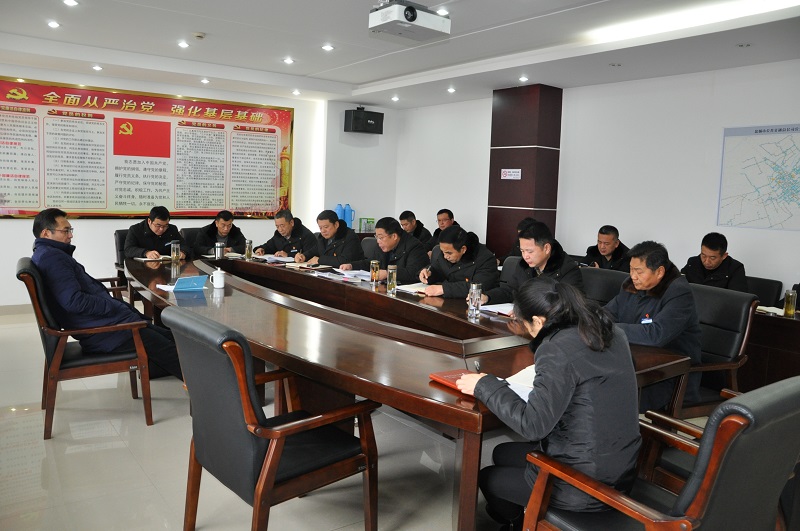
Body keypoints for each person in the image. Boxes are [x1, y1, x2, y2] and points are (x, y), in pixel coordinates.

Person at [456, 278, 641, 527]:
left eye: (523, 322)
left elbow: (533, 426)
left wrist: (485, 385)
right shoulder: (611, 332)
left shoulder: (556, 348)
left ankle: (520, 523)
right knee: (501, 452)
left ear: (539, 321)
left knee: (488, 478)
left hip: (584, 484)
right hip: (620, 466)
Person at [31, 208, 182, 380]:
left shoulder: (47, 254)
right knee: (172, 349)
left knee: (172, 337)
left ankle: (155, 368)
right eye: (66, 231)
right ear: (46, 233)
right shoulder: (53, 259)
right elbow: (74, 301)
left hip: (106, 324)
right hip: (106, 333)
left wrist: (116, 308)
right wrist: (113, 306)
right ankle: (201, 382)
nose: (70, 235)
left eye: (70, 230)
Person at [605, 241, 702, 412]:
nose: (633, 276)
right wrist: (590, 320)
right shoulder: (631, 285)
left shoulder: (678, 292)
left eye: (639, 271)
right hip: (634, 362)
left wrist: (609, 328)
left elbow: (656, 335)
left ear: (660, 272)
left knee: (610, 397)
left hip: (668, 374)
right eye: (631, 269)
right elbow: (608, 313)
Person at [483, 221, 583, 305]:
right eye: (522, 251)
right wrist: (487, 297)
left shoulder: (568, 270)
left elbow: (566, 306)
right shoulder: (524, 265)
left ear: (546, 248)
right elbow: (511, 291)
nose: (525, 256)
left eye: (530, 251)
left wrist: (525, 312)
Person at [341, 217, 429, 284]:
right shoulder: (382, 245)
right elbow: (372, 263)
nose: (378, 241)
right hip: (385, 287)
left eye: (381, 237)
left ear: (394, 236)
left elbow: (413, 272)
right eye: (377, 237)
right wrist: (351, 265)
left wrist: (388, 273)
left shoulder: (414, 246)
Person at [419, 225, 498, 298]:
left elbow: (479, 286)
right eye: (442, 252)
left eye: (449, 253)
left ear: (463, 249)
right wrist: (429, 273)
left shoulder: (485, 258)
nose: (445, 256)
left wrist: (444, 289)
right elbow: (438, 269)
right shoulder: (446, 252)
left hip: (472, 303)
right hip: (448, 300)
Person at [681, 232, 748, 292]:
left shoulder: (735, 268)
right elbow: (679, 284)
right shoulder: (692, 263)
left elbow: (737, 297)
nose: (707, 261)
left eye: (712, 258)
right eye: (703, 255)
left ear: (724, 256)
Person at [296, 209, 365, 266]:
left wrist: (320, 260)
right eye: (320, 228)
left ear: (336, 225)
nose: (323, 231)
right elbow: (314, 251)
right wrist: (303, 256)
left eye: (326, 227)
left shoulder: (350, 237)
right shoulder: (322, 238)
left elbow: (345, 260)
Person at [124, 206, 190, 260]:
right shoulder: (135, 230)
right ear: (149, 221)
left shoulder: (172, 229)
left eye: (165, 225)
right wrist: (146, 253)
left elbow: (184, 245)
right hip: (142, 267)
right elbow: (128, 249)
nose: (161, 229)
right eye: (158, 225)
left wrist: (183, 252)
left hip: (167, 266)